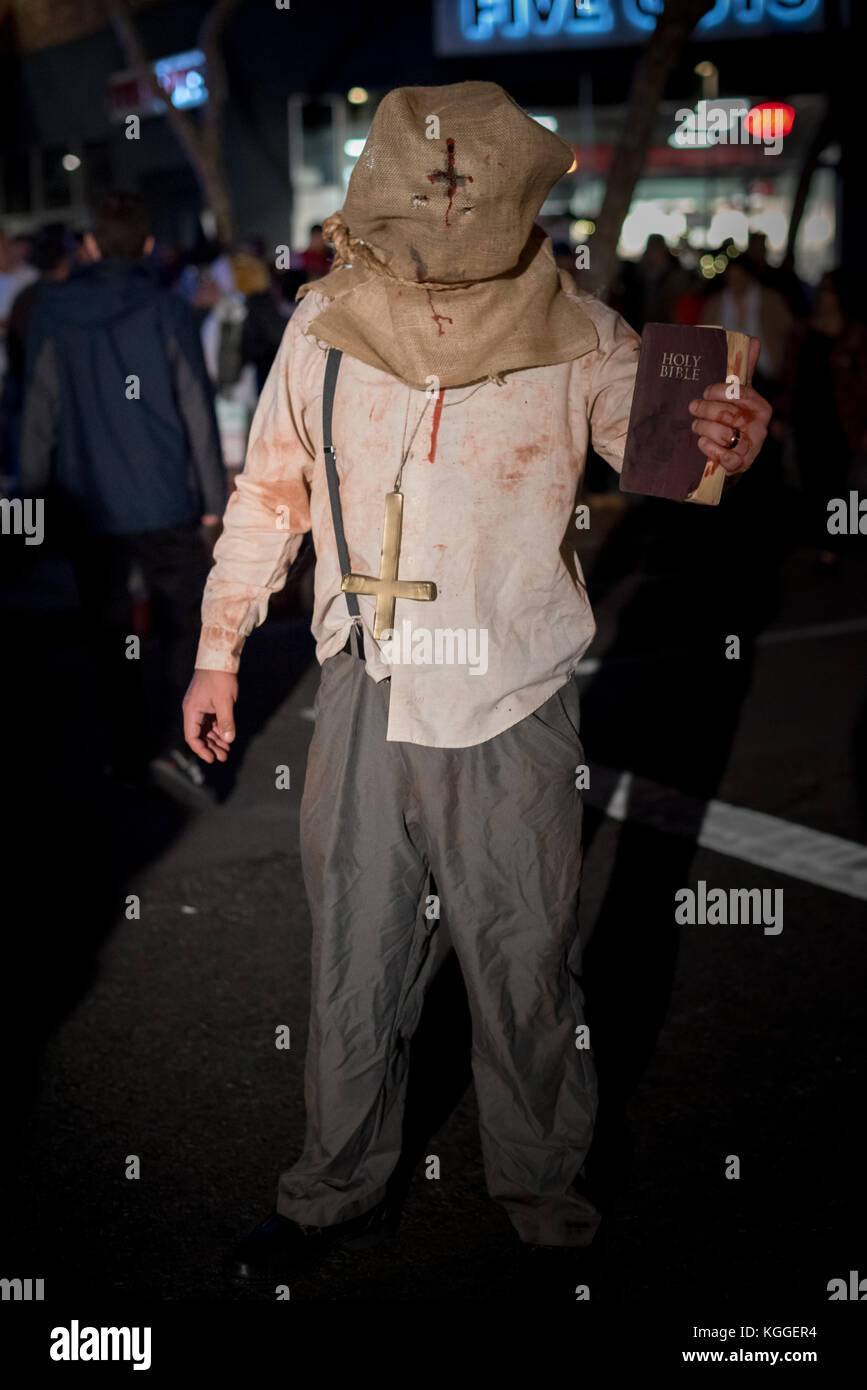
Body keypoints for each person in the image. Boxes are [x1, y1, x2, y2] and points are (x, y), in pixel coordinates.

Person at [182, 82, 771, 1285]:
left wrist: (722, 430)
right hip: (363, 691)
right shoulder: (321, 327)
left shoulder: (588, 335)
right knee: (352, 958)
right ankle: (330, 1191)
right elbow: (270, 497)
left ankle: (545, 1197)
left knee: (523, 959)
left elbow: (677, 446)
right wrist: (216, 648)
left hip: (510, 698)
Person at [19, 190, 226, 804]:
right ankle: (178, 747)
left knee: (108, 633)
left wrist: (31, 502)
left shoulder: (53, 311)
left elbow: (38, 408)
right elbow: (198, 405)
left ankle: (126, 755)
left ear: (87, 244)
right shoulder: (166, 309)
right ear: (145, 245)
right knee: (182, 625)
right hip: (163, 496)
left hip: (90, 501)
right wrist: (214, 497)